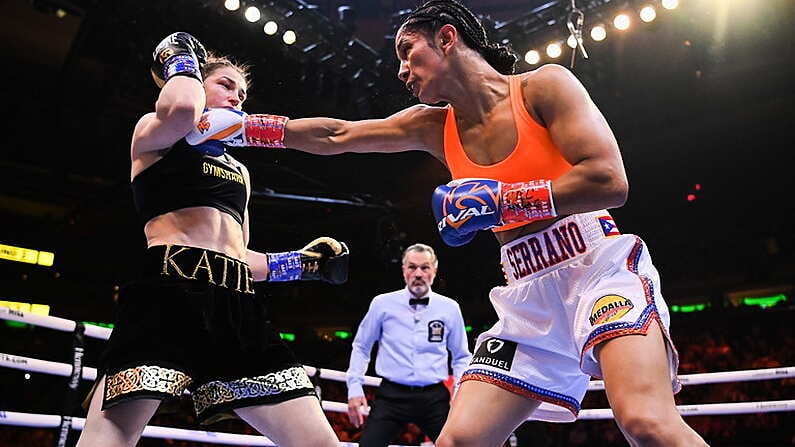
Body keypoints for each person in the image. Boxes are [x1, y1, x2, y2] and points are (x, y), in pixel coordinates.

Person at [184, 0, 709, 445]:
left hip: (595, 267)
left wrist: (504, 200)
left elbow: (610, 182)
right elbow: (338, 135)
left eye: (407, 53)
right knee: (457, 440)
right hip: (527, 293)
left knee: (647, 423)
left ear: (447, 39)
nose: (400, 71)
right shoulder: (435, 126)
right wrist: (247, 129)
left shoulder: (543, 87)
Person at [76, 32, 348, 447]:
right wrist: (181, 60)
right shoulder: (156, 134)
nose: (237, 97)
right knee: (108, 441)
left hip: (236, 307)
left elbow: (242, 257)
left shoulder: (241, 171)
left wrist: (302, 263)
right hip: (169, 296)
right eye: (225, 84)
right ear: (194, 81)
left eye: (242, 92)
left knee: (320, 443)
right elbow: (183, 109)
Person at [345, 243, 471, 446]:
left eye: (425, 267)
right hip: (391, 396)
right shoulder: (382, 304)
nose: (418, 273)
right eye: (412, 267)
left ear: (434, 270)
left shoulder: (449, 308)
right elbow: (361, 346)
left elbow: (461, 356)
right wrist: (354, 388)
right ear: (404, 270)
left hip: (433, 397)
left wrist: (459, 391)